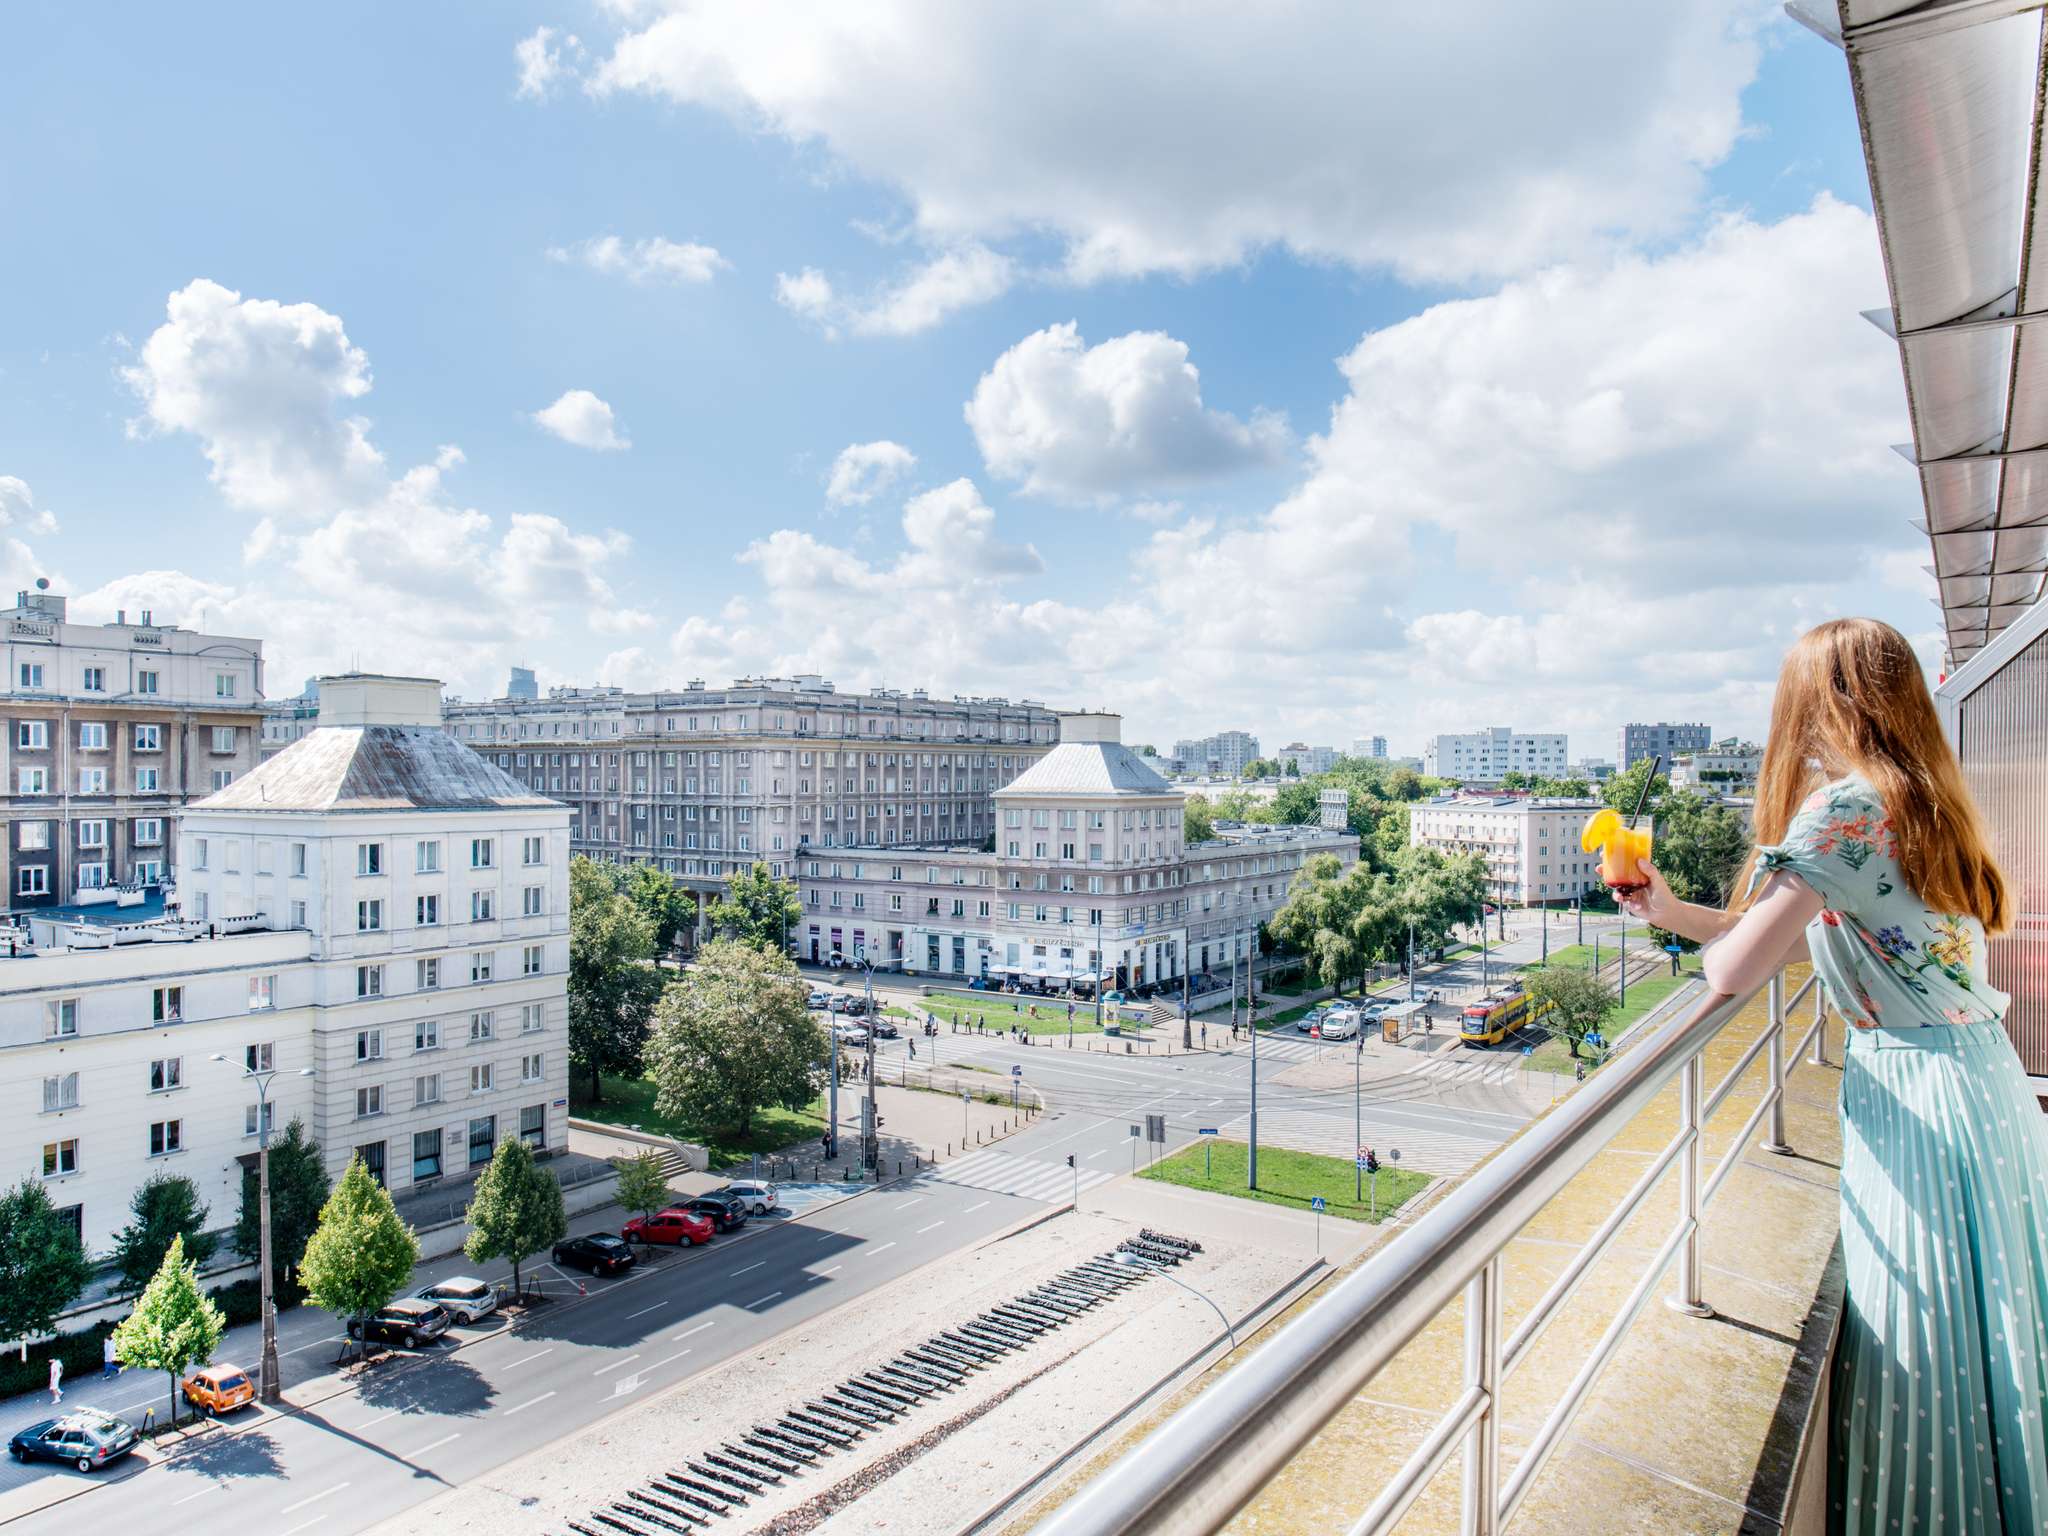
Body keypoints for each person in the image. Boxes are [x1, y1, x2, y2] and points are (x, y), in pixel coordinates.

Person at [1619, 618, 2044, 1536]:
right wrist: (1672, 912)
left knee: (1927, 1335)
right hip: (1983, 1080)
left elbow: (1740, 967)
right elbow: (1794, 932)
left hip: (1919, 1097)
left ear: (1822, 706)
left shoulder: (1842, 810)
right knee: (1996, 1321)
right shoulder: (1923, 796)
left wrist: (1707, 944)